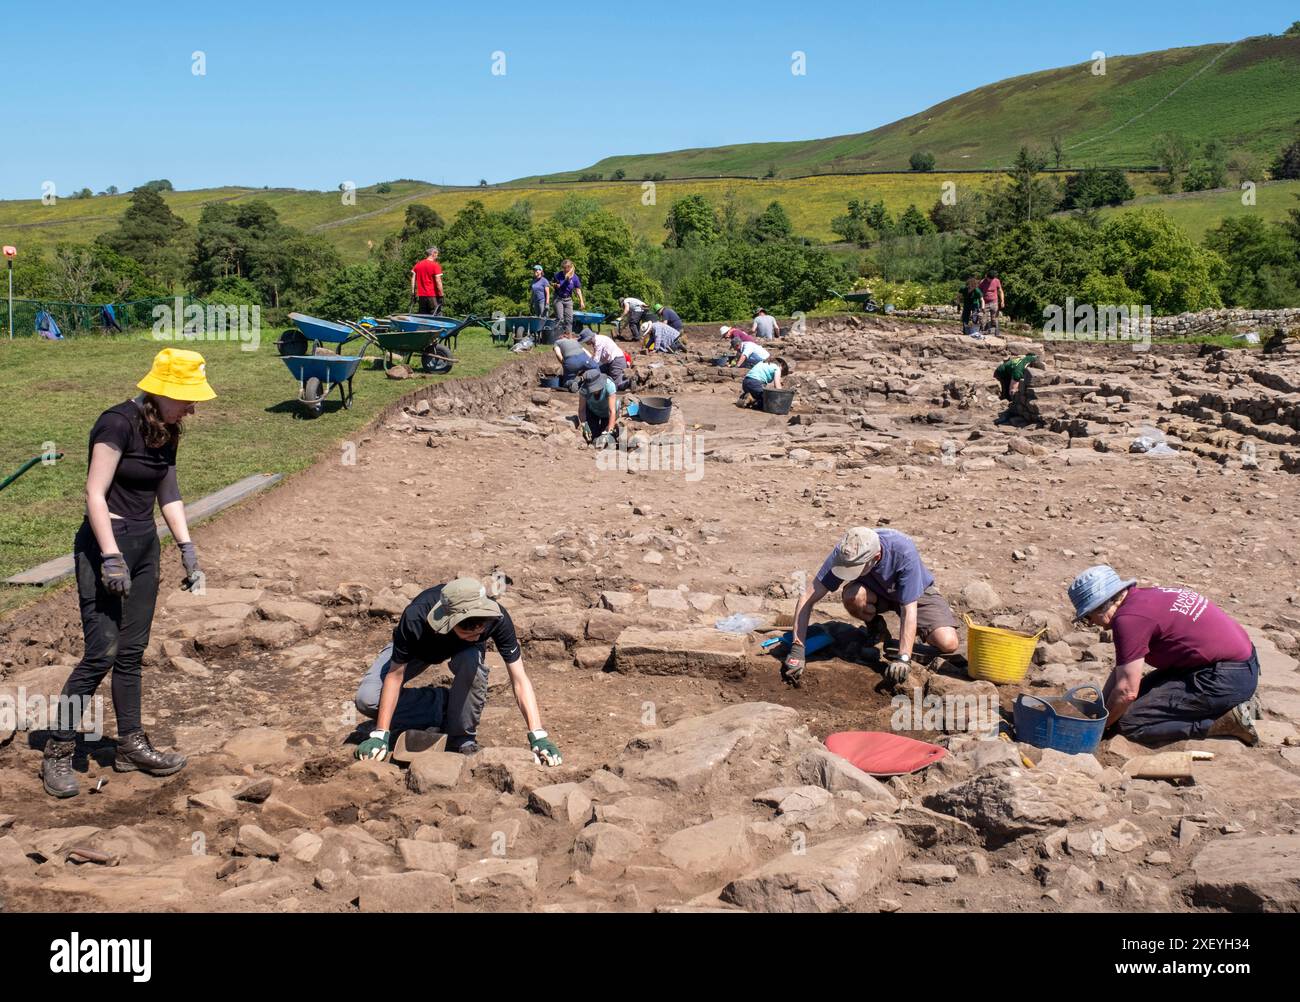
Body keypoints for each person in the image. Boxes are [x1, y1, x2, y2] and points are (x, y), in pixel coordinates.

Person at [41, 348, 215, 798]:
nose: (193, 407)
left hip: (144, 549)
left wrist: (187, 547)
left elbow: (168, 490)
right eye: (186, 398)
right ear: (160, 392)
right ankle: (58, 750)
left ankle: (130, 745)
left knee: (131, 653)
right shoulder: (116, 422)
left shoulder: (168, 428)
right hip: (105, 548)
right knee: (101, 652)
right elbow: (94, 492)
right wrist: (110, 555)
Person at [354, 578, 561, 764]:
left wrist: (538, 734)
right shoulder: (415, 617)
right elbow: (395, 675)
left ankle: (462, 737)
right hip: (419, 649)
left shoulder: (496, 618)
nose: (476, 635)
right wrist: (380, 734)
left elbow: (519, 679)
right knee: (367, 699)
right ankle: (443, 704)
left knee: (472, 660)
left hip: (463, 653)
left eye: (480, 630)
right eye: (467, 631)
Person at [1067, 566, 1262, 746]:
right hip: (1235, 665)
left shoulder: (1129, 620)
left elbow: (1127, 692)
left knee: (1129, 722)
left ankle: (1224, 721)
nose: (1091, 623)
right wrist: (1102, 710)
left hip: (1225, 678)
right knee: (1124, 706)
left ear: (1100, 606)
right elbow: (1122, 673)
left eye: (1088, 616)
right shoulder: (1145, 597)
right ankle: (1234, 702)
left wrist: (1098, 728)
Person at [784, 527, 960, 688]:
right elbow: (808, 597)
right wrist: (797, 649)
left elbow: (909, 609)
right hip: (874, 591)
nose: (850, 572)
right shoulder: (847, 551)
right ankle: (878, 629)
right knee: (852, 596)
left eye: (856, 569)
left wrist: (903, 658)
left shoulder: (903, 550)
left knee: (948, 643)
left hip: (915, 594)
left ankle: (905, 648)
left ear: (875, 557)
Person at [577, 367, 620, 449]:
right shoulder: (584, 390)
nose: (594, 390)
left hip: (607, 413)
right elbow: (581, 410)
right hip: (592, 411)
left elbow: (612, 411)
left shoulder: (609, 385)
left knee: (605, 436)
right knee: (593, 436)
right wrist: (584, 424)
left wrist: (609, 431)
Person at [551, 259, 585, 336]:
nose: (566, 269)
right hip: (558, 298)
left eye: (567, 268)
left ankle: (568, 336)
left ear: (570, 267)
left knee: (569, 319)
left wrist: (581, 301)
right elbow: (553, 283)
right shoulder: (558, 275)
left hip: (568, 299)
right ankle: (557, 336)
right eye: (564, 268)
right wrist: (555, 285)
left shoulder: (575, 277)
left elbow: (578, 289)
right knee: (560, 318)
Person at [410, 247, 445, 315]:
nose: (437, 256)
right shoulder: (435, 265)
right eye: (437, 254)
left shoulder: (418, 265)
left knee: (423, 317)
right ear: (433, 254)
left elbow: (413, 279)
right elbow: (438, 281)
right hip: (432, 295)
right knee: (436, 316)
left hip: (421, 296)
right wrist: (441, 295)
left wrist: (413, 293)